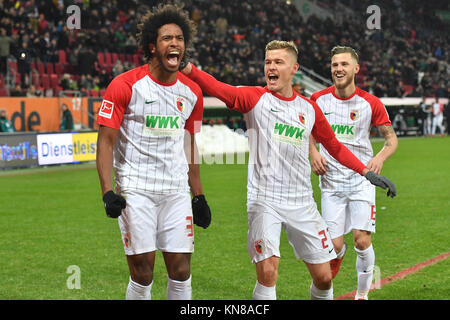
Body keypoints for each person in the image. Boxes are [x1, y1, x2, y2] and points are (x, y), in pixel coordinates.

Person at [182, 40, 396, 300]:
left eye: (278, 62)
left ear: (294, 68)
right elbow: (220, 89)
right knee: (268, 272)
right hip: (265, 199)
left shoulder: (308, 108)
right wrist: (190, 69)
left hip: (302, 202)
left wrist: (365, 171)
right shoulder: (254, 99)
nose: (270, 67)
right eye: (267, 62)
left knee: (324, 278)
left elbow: (335, 146)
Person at [95, 4, 211, 301]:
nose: (175, 43)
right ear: (152, 46)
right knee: (143, 271)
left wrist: (198, 195)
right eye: (167, 38)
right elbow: (106, 141)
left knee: (181, 270)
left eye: (180, 38)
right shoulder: (125, 85)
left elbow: (190, 144)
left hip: (175, 192)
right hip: (136, 189)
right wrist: (108, 192)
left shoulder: (192, 92)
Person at [308, 46, 398, 300]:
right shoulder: (318, 99)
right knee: (334, 247)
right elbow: (306, 132)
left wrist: (379, 157)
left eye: (344, 64)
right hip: (331, 182)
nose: (338, 69)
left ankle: (362, 294)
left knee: (361, 239)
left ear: (356, 69)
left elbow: (391, 139)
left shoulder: (370, 103)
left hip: (362, 180)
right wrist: (313, 152)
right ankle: (338, 260)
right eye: (335, 64)